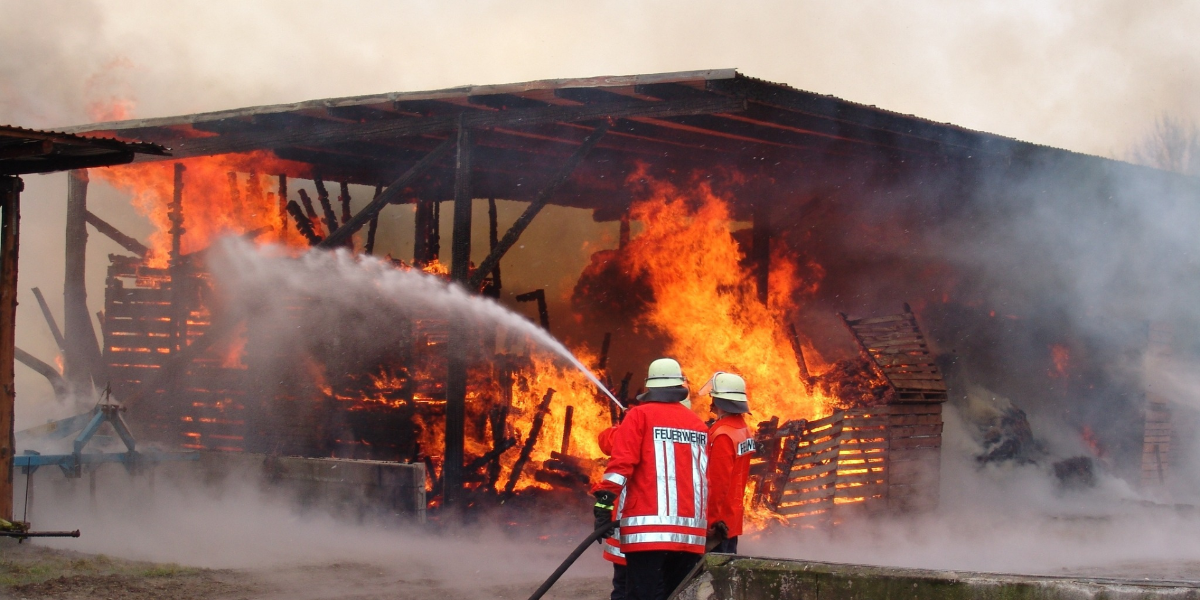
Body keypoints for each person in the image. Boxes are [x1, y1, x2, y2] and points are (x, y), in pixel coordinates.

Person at [592, 358, 709, 600]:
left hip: (648, 533)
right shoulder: (698, 425)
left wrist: (603, 503)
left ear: (650, 387)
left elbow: (621, 464)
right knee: (675, 595)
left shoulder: (639, 416)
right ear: (678, 387)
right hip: (690, 534)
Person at [699, 372, 755, 554]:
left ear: (718, 401)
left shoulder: (723, 434)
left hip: (718, 524)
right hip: (732, 518)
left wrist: (709, 522)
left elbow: (717, 483)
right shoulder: (742, 428)